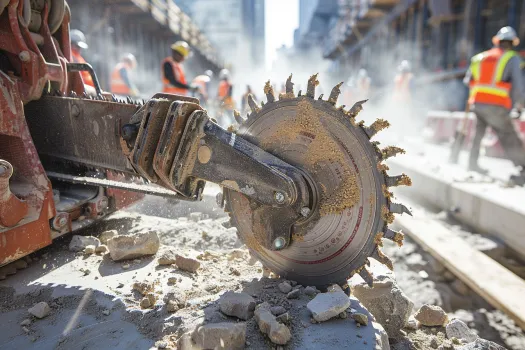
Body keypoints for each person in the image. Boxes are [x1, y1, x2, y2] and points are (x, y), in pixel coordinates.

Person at [464, 26, 525, 185]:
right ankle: (524, 168)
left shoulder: (479, 58)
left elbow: (468, 81)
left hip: (478, 103)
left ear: (497, 41)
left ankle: (472, 163)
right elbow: (519, 88)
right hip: (497, 104)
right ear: (512, 43)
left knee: (478, 134)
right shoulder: (512, 58)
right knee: (509, 136)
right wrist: (522, 104)